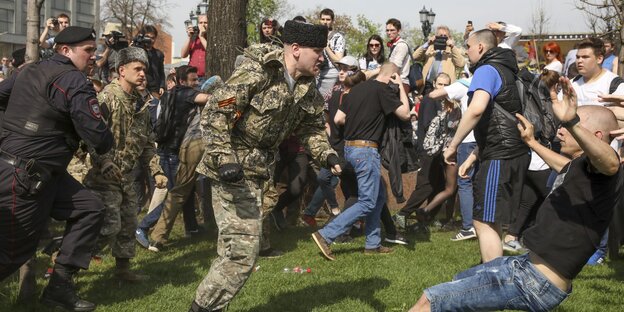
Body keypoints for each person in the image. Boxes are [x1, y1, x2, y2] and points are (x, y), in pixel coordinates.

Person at [409, 78, 622, 312]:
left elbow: (611, 162)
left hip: (533, 281)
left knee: (430, 302)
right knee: (459, 280)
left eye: (568, 128)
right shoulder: (584, 169)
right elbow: (564, 166)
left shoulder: (607, 168)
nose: (561, 131)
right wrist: (532, 143)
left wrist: (572, 122)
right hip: (526, 269)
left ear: (597, 136)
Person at [190, 20, 341, 312]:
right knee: (241, 254)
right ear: (296, 50)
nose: (323, 57)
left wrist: (329, 157)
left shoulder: (307, 89)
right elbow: (217, 113)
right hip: (231, 171)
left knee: (236, 252)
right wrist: (225, 160)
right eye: (318, 50)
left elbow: (311, 130)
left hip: (259, 173)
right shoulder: (257, 72)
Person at [0, 26, 113, 311]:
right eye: (88, 50)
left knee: (90, 207)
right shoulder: (74, 80)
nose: (94, 57)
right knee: (12, 253)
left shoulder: (28, 70)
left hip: (41, 173)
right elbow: (98, 136)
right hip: (24, 176)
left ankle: (58, 289)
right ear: (65, 50)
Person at [443, 29, 530, 263]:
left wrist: (453, 145)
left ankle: (492, 278)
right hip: (512, 151)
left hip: (500, 155)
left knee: (483, 219)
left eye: (468, 47)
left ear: (480, 47)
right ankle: (492, 270)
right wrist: (474, 156)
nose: (466, 51)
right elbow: (499, 118)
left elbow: (478, 108)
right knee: (493, 217)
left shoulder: (486, 69)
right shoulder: (509, 70)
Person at [83, 47, 167, 283]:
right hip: (103, 177)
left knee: (128, 224)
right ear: (121, 70)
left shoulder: (141, 104)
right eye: (137, 69)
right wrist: (104, 160)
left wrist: (157, 169)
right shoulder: (106, 98)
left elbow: (148, 143)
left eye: (145, 70)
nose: (143, 74)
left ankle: (122, 271)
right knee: (107, 227)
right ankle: (65, 264)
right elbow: (90, 135)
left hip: (127, 177)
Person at [311, 62, 411, 261]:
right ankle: (326, 235)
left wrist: (360, 121)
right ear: (393, 76)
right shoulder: (383, 90)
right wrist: (400, 88)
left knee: (379, 195)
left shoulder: (355, 90)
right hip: (366, 150)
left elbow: (339, 118)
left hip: (349, 149)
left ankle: (372, 244)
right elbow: (405, 114)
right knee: (366, 201)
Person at [136, 65, 212, 251]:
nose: (197, 83)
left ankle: (192, 228)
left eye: (197, 79)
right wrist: (232, 97)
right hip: (171, 153)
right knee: (175, 194)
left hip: (166, 149)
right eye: (193, 80)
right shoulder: (184, 93)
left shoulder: (170, 94)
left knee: (184, 189)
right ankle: (142, 227)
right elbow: (210, 99)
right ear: (182, 81)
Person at [413, 25, 465, 95]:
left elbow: (461, 63)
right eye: (440, 36)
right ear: (435, 36)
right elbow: (414, 57)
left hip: (445, 86)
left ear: (449, 38)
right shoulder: (429, 49)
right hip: (428, 86)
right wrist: (427, 44)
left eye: (445, 36)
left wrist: (452, 47)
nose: (442, 38)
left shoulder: (452, 51)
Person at [317, 8, 346, 100]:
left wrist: (326, 46)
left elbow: (338, 60)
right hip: (316, 74)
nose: (325, 22)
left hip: (332, 75)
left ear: (332, 21)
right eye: (323, 19)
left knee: (330, 105)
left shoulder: (338, 37)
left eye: (328, 19)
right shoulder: (315, 34)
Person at [138, 25, 166, 99]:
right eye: (147, 37)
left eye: (152, 38)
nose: (150, 40)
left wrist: (162, 86)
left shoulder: (158, 54)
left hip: (154, 89)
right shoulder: (137, 51)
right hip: (139, 87)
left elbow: (161, 72)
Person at [385, 18, 411, 92]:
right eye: (387, 30)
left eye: (392, 30)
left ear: (399, 31)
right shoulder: (393, 45)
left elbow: (395, 67)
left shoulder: (401, 46)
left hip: (400, 83)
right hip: (393, 82)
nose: (389, 33)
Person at [181, 15, 208, 81]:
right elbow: (183, 55)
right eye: (200, 23)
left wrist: (201, 36)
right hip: (192, 77)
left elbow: (210, 52)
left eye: (205, 22)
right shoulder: (194, 38)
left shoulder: (212, 37)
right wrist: (189, 37)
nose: (203, 25)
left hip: (206, 77)